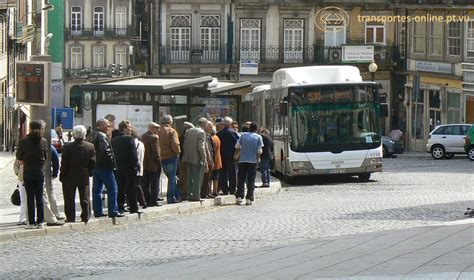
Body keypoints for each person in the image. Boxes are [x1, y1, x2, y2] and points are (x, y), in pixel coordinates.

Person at [16, 120, 48, 229]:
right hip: (39, 172)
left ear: (30, 129)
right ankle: (40, 222)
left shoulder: (24, 141)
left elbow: (19, 156)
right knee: (39, 197)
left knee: (30, 197)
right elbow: (46, 157)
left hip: (28, 172)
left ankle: (31, 222)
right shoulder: (43, 141)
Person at [88, 118, 123, 218]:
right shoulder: (102, 136)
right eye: (107, 126)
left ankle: (98, 211)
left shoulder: (91, 134)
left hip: (95, 166)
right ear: (101, 125)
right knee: (113, 188)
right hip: (104, 166)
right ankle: (113, 210)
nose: (108, 128)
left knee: (97, 190)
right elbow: (106, 152)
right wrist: (112, 164)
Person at [60, 125, 95, 223]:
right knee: (84, 197)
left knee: (69, 198)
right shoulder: (90, 146)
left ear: (74, 135)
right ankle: (85, 216)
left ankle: (71, 217)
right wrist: (90, 172)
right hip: (84, 175)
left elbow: (64, 163)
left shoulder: (67, 147)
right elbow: (92, 162)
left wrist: (62, 174)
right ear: (84, 134)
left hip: (69, 175)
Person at [112, 120, 140, 214]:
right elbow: (133, 154)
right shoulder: (129, 139)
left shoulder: (114, 140)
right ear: (124, 128)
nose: (131, 129)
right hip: (130, 167)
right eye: (129, 127)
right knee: (131, 188)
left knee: (120, 188)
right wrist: (136, 165)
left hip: (119, 167)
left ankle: (120, 207)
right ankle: (133, 207)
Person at [235, 122, 263, 205]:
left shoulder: (243, 135)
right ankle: (249, 198)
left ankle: (239, 196)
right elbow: (259, 151)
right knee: (251, 180)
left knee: (241, 179)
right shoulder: (258, 137)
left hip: (242, 160)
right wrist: (257, 158)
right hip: (252, 161)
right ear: (256, 129)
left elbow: (237, 146)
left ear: (249, 128)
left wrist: (238, 153)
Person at [182, 118, 208, 201]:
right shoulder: (201, 132)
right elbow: (201, 147)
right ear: (204, 124)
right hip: (197, 158)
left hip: (188, 157)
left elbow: (185, 144)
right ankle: (196, 196)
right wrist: (204, 159)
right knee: (198, 178)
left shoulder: (189, 131)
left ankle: (190, 194)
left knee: (190, 177)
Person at [158, 115, 181, 204]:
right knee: (172, 178)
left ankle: (175, 195)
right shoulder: (172, 131)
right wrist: (178, 153)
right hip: (171, 156)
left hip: (162, 157)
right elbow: (175, 144)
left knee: (169, 177)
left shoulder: (158, 130)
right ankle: (171, 197)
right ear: (170, 122)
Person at [141, 122, 162, 206]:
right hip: (153, 165)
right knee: (154, 184)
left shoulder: (143, 136)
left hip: (145, 164)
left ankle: (146, 199)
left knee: (145, 184)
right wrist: (159, 163)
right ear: (152, 128)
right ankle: (153, 201)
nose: (158, 130)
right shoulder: (154, 137)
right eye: (157, 128)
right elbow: (156, 153)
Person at [217, 117, 239, 195]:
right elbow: (238, 144)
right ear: (230, 124)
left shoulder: (219, 133)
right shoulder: (233, 133)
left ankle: (225, 190)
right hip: (231, 156)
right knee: (232, 174)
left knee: (223, 174)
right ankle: (232, 190)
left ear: (223, 124)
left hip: (222, 156)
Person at [178, 122, 194, 200]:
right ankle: (185, 194)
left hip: (183, 159)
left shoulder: (182, 137)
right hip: (184, 159)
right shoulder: (184, 138)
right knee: (185, 177)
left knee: (185, 177)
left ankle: (185, 193)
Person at [131, 130, 147, 209]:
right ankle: (142, 202)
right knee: (138, 185)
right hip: (140, 167)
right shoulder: (141, 144)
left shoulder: (133, 143)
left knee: (136, 186)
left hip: (135, 167)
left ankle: (142, 202)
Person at [201, 120, 214, 198]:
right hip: (207, 160)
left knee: (209, 178)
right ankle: (204, 193)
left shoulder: (209, 135)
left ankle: (208, 192)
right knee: (205, 178)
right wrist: (209, 160)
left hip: (210, 159)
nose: (211, 128)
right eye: (210, 127)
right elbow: (207, 149)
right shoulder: (204, 135)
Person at [13, 159, 27, 225]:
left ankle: (33, 217)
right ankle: (22, 218)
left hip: (33, 178)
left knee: (34, 200)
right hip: (22, 179)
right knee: (23, 200)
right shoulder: (20, 153)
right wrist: (18, 173)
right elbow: (15, 165)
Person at [210, 126, 222, 197]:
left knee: (211, 177)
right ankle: (215, 190)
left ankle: (211, 191)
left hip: (213, 160)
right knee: (216, 177)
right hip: (218, 159)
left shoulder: (212, 138)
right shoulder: (217, 137)